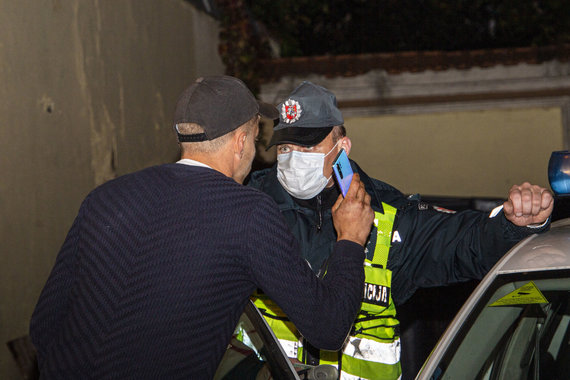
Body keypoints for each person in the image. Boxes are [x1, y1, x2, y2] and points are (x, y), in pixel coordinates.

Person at [29, 76, 376, 379]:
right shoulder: (248, 213)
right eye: (256, 140)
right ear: (241, 142)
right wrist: (350, 240)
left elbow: (44, 324)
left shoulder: (104, 197)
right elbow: (328, 328)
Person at [247, 81, 554, 380]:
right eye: (285, 146)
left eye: (308, 145)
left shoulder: (389, 214)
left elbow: (466, 244)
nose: (293, 157)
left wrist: (518, 223)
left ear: (342, 148)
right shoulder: (248, 207)